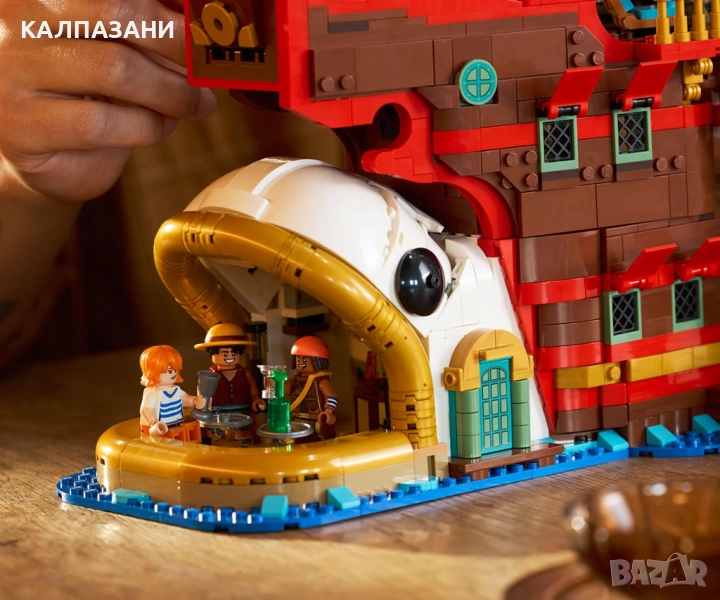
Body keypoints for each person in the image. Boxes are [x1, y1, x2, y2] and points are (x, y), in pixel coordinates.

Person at [195, 323, 264, 443]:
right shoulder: (210, 374)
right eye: (225, 353)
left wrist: (256, 399)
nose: (230, 356)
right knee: (218, 436)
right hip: (218, 411)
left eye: (234, 353)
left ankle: (243, 442)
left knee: (242, 433)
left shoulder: (244, 372)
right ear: (212, 353)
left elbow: (253, 388)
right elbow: (202, 394)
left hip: (241, 410)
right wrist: (204, 405)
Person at [139, 344, 204, 441]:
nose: (173, 373)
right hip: (159, 428)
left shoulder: (175, 389)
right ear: (153, 371)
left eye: (175, 370)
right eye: (170, 371)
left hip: (177, 424)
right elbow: (146, 410)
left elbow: (184, 398)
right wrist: (153, 422)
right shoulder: (152, 393)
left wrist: (195, 401)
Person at [287, 336, 339, 441]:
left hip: (316, 419)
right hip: (296, 419)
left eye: (304, 359)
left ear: (317, 360)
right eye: (298, 359)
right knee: (299, 441)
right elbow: (286, 390)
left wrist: (328, 411)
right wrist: (274, 383)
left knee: (316, 441)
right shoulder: (295, 380)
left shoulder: (321, 381)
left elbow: (331, 397)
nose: (300, 362)